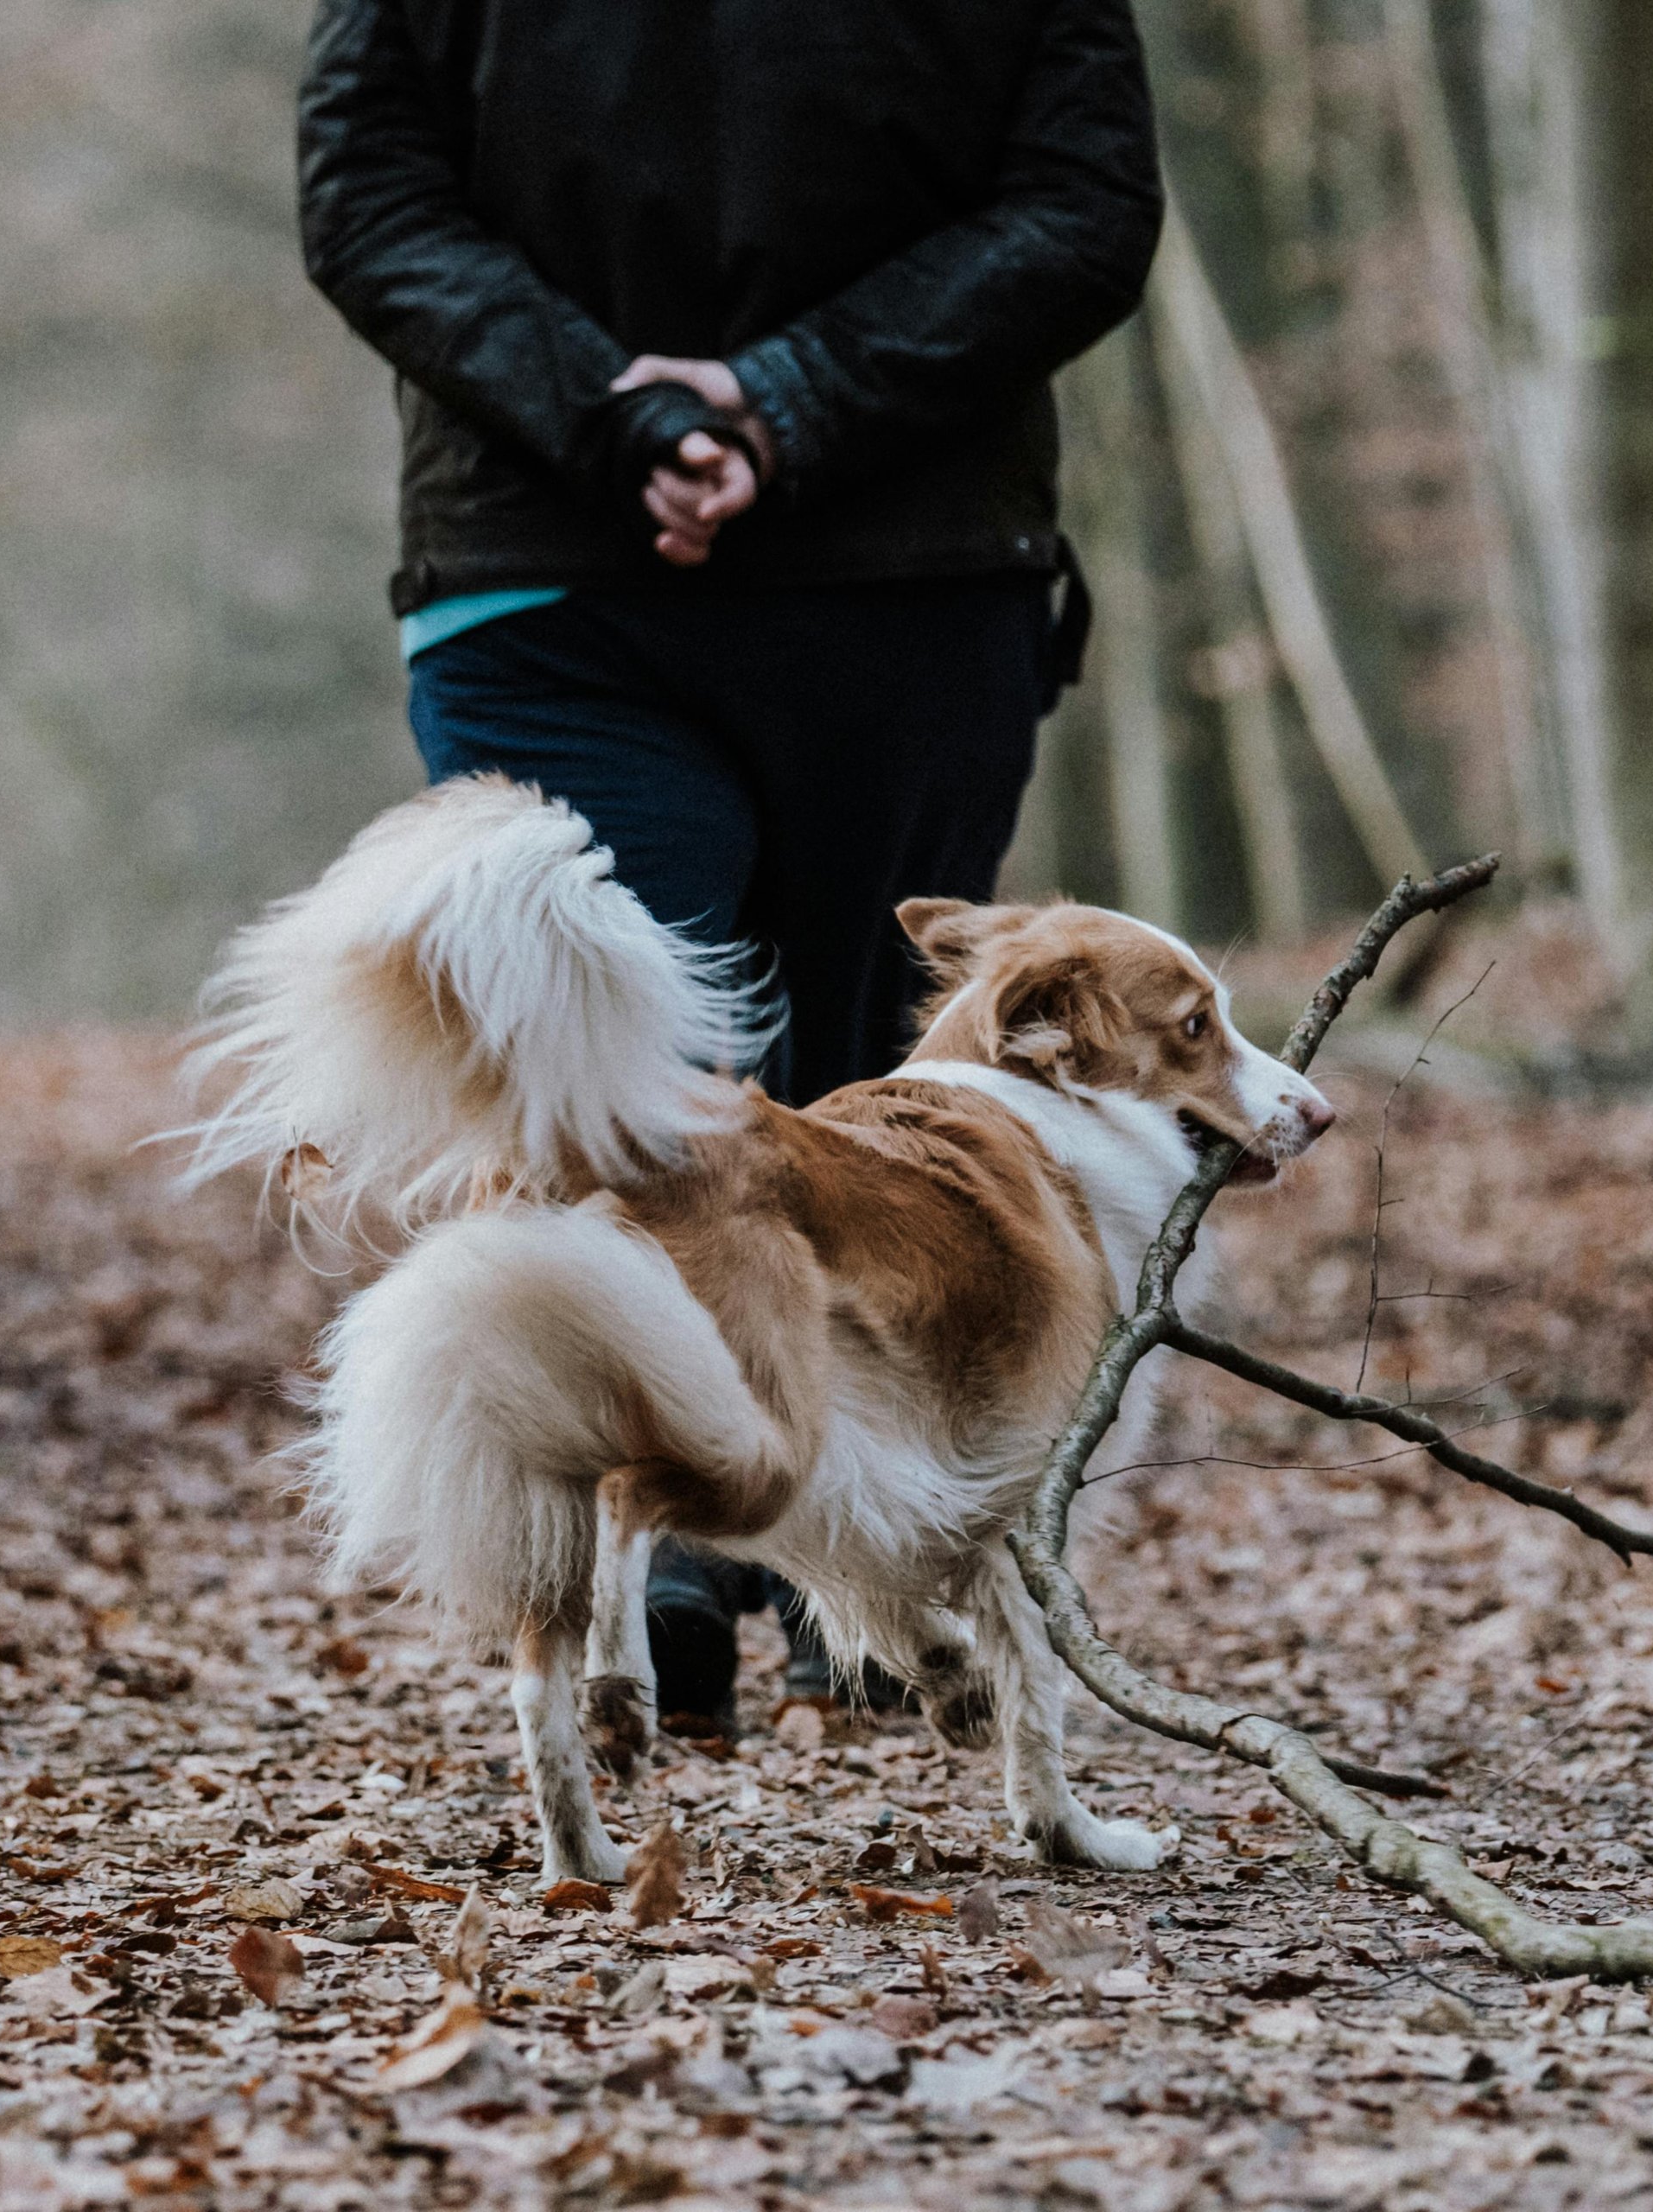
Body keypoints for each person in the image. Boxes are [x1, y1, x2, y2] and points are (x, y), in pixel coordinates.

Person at [295, 0, 1163, 1732]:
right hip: (866, 568)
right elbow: (1075, 208)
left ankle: (744, 1551)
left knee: (660, 1071)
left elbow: (369, 191)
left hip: (590, 558)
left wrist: (637, 416)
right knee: (808, 1076)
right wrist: (772, 410)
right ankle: (714, 1547)